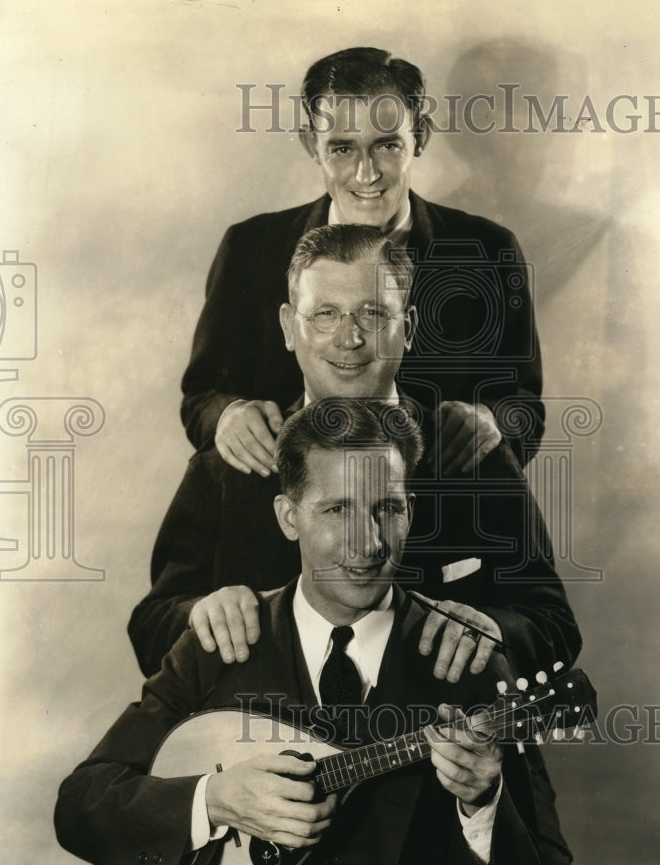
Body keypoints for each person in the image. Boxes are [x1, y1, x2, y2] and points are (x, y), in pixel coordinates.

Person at [55, 400, 551, 865]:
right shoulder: (224, 641)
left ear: (411, 511)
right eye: (338, 509)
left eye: (389, 508)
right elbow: (82, 804)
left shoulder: (463, 657)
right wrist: (214, 799)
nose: (370, 544)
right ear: (288, 517)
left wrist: (483, 803)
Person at [129, 225, 580, 685]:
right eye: (325, 314)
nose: (349, 339)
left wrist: (493, 631)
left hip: (438, 746)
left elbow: (554, 624)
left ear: (410, 329)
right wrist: (202, 615)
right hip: (263, 740)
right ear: (289, 327)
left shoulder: (468, 452)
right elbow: (152, 623)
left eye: (374, 315)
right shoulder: (232, 462)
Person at [181, 46, 544, 476]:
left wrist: (492, 422)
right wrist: (227, 416)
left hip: (439, 516)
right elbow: (201, 396)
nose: (366, 174)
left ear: (421, 137)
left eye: (387, 145)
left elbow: (525, 407)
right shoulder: (249, 248)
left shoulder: (489, 250)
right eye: (342, 149)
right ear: (310, 146)